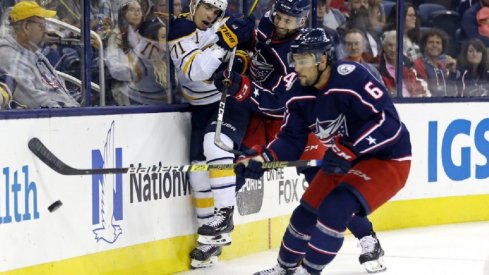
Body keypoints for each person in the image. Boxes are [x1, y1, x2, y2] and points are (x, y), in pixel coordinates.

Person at [232, 27, 412, 275]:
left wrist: (349, 149)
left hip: (387, 158)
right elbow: (291, 139)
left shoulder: (352, 77)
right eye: (294, 60)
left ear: (323, 59)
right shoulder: (297, 91)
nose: (296, 67)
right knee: (306, 211)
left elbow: (389, 124)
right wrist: (264, 158)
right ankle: (284, 269)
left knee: (334, 209)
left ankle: (309, 272)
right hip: (342, 157)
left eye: (303, 60)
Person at [167, 0, 254, 268]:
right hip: (201, 107)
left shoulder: (224, 26)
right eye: (207, 8)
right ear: (194, 4)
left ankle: (224, 215)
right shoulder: (180, 28)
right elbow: (194, 70)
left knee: (215, 146)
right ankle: (211, 240)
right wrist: (225, 41)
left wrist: (244, 46)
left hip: (230, 102)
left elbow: (244, 63)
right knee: (197, 172)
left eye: (217, 11)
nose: (211, 15)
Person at [0, 1, 80, 108]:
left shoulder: (35, 53)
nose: (45, 30)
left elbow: (61, 90)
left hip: (66, 114)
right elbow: (34, 101)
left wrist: (77, 108)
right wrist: (72, 113)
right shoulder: (8, 57)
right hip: (51, 119)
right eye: (41, 26)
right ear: (26, 27)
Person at [378, 30, 431, 97]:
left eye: (397, 46)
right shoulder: (378, 67)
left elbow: (418, 86)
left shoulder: (409, 65)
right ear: (384, 47)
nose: (393, 49)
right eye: (390, 45)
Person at [413, 28, 458, 97]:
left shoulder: (443, 65)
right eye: (431, 42)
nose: (435, 45)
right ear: (424, 46)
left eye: (438, 43)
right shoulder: (418, 64)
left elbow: (450, 91)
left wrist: (452, 72)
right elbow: (424, 90)